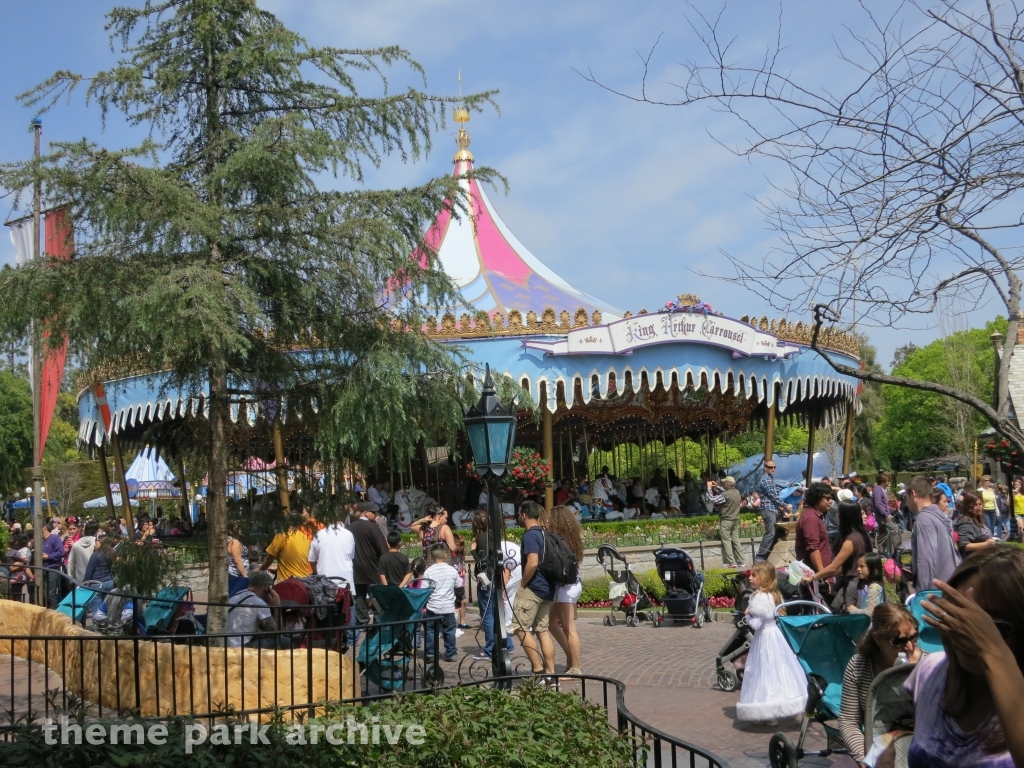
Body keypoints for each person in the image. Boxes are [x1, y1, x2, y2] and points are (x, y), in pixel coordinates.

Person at [895, 547, 1024, 767]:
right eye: (958, 618)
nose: (968, 636)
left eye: (996, 627)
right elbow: (904, 729)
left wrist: (991, 651)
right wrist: (883, 748)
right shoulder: (931, 672)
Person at [837, 602, 922, 763]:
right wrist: (867, 760)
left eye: (913, 637)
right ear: (877, 639)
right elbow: (848, 721)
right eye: (899, 641)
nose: (909, 647)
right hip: (876, 751)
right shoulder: (859, 666)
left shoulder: (928, 666)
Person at [736, 561, 808, 724]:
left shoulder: (758, 598)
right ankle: (795, 707)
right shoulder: (775, 595)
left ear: (764, 578)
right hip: (776, 636)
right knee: (783, 670)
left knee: (765, 672)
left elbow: (756, 625)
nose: (750, 578)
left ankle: (769, 713)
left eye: (754, 575)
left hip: (764, 638)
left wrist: (747, 614)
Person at [511, 501, 556, 679]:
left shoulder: (530, 535)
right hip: (548, 589)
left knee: (520, 628)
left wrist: (523, 583)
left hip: (533, 587)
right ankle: (550, 674)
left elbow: (533, 562)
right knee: (542, 630)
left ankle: (537, 670)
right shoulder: (546, 533)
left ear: (523, 515)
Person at [546, 505, 584, 676]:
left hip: (565, 587)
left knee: (569, 629)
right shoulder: (572, 539)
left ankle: (575, 667)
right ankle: (570, 656)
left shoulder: (557, 540)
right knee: (551, 623)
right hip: (573, 583)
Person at [907, 475, 961, 594]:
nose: (906, 502)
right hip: (949, 587)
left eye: (906, 497)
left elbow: (926, 561)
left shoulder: (924, 519)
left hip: (935, 594)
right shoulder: (939, 515)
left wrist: (923, 595)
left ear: (913, 493)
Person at [349, 502, 388, 624]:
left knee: (359, 600)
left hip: (356, 571)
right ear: (365, 512)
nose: (376, 515)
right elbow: (383, 550)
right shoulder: (373, 527)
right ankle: (378, 624)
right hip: (372, 571)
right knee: (377, 600)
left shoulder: (350, 527)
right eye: (374, 512)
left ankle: (362, 622)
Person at [225, 570, 284, 648]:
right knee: (285, 641)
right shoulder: (260, 603)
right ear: (267, 587)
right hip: (239, 647)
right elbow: (276, 632)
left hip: (227, 644)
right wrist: (277, 606)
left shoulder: (238, 594)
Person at [795, 483, 834, 598]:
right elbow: (813, 549)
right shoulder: (811, 518)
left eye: (831, 498)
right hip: (815, 579)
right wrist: (822, 576)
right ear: (817, 498)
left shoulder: (814, 516)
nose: (830, 501)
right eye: (827, 498)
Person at [422, 542, 460, 662]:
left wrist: (423, 605)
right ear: (445, 555)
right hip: (448, 607)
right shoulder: (452, 570)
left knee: (431, 630)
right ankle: (451, 653)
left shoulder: (429, 572)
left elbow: (424, 590)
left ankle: (431, 653)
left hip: (433, 607)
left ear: (431, 557)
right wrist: (458, 602)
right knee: (449, 631)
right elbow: (459, 587)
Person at [756, 460, 793, 561]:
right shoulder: (766, 480)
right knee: (771, 533)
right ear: (765, 468)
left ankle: (767, 555)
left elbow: (777, 494)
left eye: (774, 467)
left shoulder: (770, 479)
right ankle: (760, 557)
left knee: (778, 533)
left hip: (773, 509)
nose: (772, 469)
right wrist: (785, 506)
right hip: (768, 509)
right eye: (770, 467)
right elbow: (773, 497)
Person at [259, 514, 311, 583]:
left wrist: (260, 571)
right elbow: (296, 561)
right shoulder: (306, 539)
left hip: (286, 583)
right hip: (303, 582)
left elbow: (268, 561)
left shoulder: (281, 537)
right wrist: (278, 568)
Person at [308, 516, 356, 587]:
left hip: (325, 582)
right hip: (345, 581)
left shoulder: (319, 535)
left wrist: (315, 572)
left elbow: (312, 559)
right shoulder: (349, 534)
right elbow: (351, 556)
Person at [708, 476, 744, 568]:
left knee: (726, 540)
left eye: (724, 482)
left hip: (726, 520)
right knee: (736, 540)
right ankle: (741, 561)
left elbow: (713, 499)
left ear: (728, 483)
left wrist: (709, 489)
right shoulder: (737, 492)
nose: (723, 484)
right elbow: (726, 492)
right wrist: (717, 487)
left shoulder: (725, 495)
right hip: (735, 520)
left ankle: (731, 562)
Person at [954, 490, 998, 558]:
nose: (979, 507)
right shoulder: (966, 522)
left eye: (980, 504)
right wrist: (986, 544)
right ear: (968, 506)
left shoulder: (978, 519)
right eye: (975, 505)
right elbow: (964, 546)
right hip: (973, 561)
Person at [41, 520, 65, 607]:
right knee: (44, 594)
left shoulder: (54, 538)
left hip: (53, 569)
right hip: (43, 569)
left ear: (44, 528)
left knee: (51, 594)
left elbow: (61, 552)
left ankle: (55, 614)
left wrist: (48, 557)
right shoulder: (41, 540)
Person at [67, 521, 99, 585]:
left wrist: (70, 577)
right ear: (96, 531)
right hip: (96, 579)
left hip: (80, 579)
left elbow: (71, 562)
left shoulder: (76, 544)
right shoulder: (98, 544)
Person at [226, 524, 250, 596]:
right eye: (237, 528)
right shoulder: (234, 542)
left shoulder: (227, 541)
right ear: (230, 530)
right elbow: (237, 560)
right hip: (236, 574)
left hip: (232, 573)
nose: (240, 530)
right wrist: (245, 576)